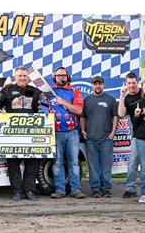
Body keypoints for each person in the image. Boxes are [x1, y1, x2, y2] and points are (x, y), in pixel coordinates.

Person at [0, 66, 41, 201]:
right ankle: (16, 192)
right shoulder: (7, 90)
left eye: (24, 76)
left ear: (28, 77)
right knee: (13, 163)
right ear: (15, 77)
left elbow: (41, 110)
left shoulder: (35, 91)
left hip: (31, 133)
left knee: (32, 162)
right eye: (19, 76)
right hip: (12, 134)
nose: (22, 78)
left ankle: (29, 191)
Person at [118, 73, 145, 199]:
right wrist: (122, 96)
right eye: (129, 83)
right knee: (133, 162)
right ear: (126, 84)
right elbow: (120, 114)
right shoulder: (126, 98)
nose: (131, 85)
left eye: (133, 82)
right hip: (137, 135)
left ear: (138, 82)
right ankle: (130, 188)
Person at [49, 67, 86, 199]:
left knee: (74, 162)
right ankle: (60, 190)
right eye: (58, 75)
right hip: (55, 132)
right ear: (54, 77)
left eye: (63, 75)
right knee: (57, 162)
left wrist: (63, 102)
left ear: (68, 77)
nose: (61, 78)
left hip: (72, 133)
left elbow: (79, 111)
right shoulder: (49, 92)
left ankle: (76, 190)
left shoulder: (74, 91)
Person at [80, 76, 118, 198]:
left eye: (99, 84)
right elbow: (83, 117)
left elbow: (115, 117)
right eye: (95, 84)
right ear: (92, 86)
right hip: (90, 138)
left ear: (103, 85)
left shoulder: (111, 99)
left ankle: (106, 189)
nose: (97, 86)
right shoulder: (86, 99)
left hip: (106, 138)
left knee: (106, 166)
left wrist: (113, 133)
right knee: (93, 165)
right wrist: (83, 130)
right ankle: (95, 189)